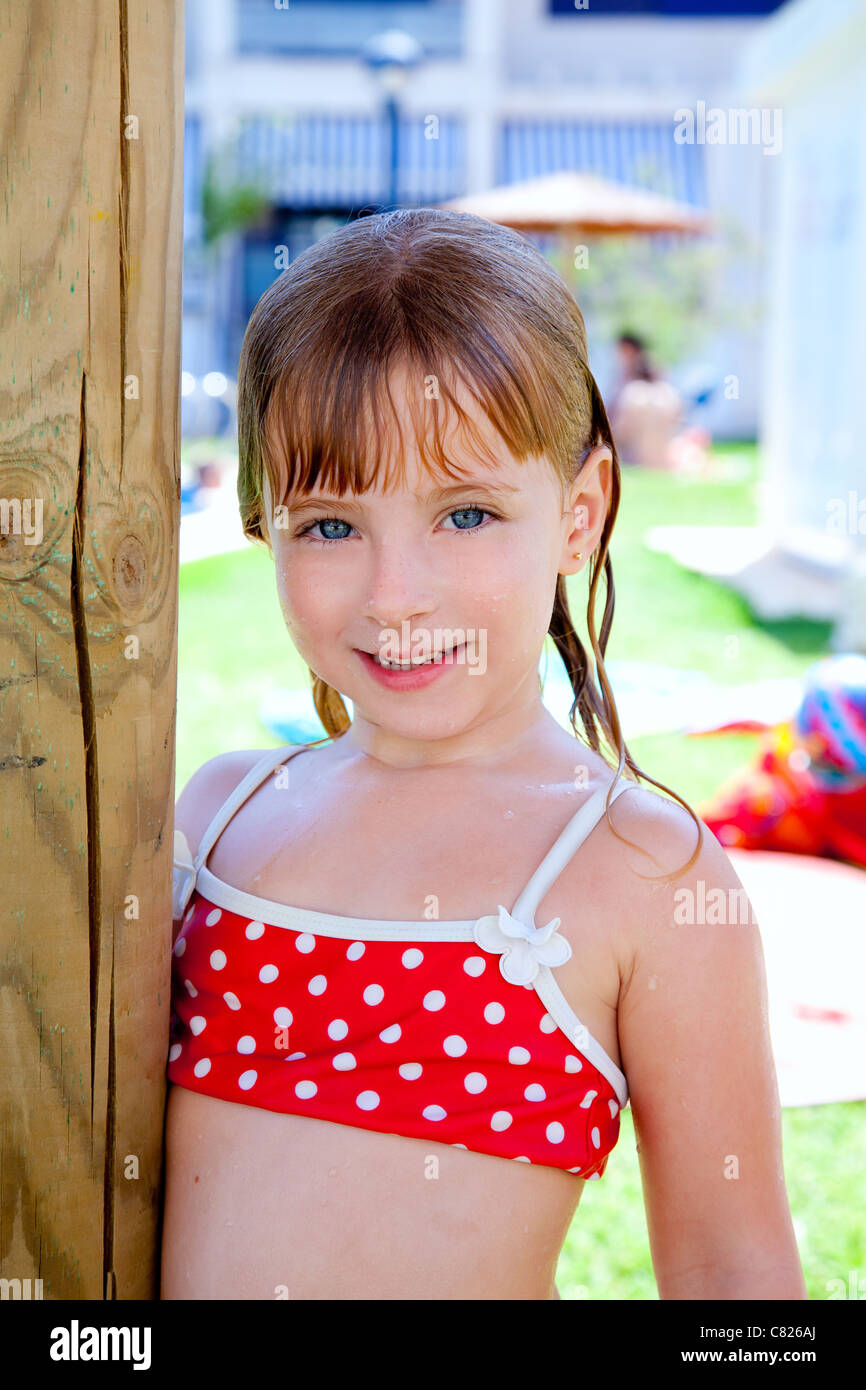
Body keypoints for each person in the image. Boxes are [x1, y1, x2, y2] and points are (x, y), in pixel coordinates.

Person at [160, 209, 806, 1301]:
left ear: (578, 512)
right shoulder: (219, 818)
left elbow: (730, 1270)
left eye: (464, 514)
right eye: (329, 525)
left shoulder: (637, 873)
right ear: (264, 523)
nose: (394, 593)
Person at [609, 331, 685, 471]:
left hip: (637, 453)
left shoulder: (632, 391)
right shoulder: (666, 392)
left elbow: (619, 427)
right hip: (661, 453)